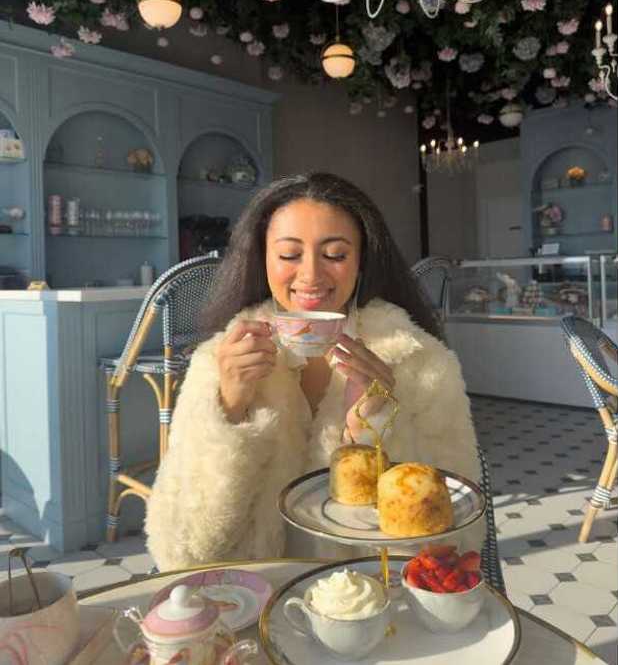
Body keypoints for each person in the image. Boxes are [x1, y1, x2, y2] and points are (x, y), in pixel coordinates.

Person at [145, 173, 479, 571]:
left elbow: (453, 543)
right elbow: (180, 551)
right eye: (289, 255)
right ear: (263, 259)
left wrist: (369, 431)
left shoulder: (421, 363)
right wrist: (230, 410)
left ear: (362, 261)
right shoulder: (218, 362)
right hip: (252, 603)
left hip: (370, 611)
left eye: (335, 255)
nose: (311, 276)